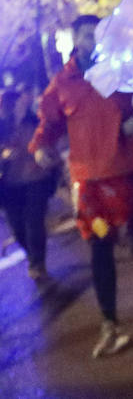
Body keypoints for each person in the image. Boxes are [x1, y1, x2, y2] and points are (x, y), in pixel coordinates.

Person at [28, 14, 133, 358]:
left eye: (97, 35)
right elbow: (50, 123)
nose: (92, 41)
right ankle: (110, 324)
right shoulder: (63, 83)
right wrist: (41, 146)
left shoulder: (125, 67)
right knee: (100, 246)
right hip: (89, 178)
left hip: (130, 168)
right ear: (75, 39)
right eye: (86, 35)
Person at [0, 81, 60, 286]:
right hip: (9, 185)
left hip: (36, 179)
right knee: (18, 228)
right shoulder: (3, 129)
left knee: (34, 222)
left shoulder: (34, 123)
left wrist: (49, 160)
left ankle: (37, 263)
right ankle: (33, 256)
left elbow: (50, 143)